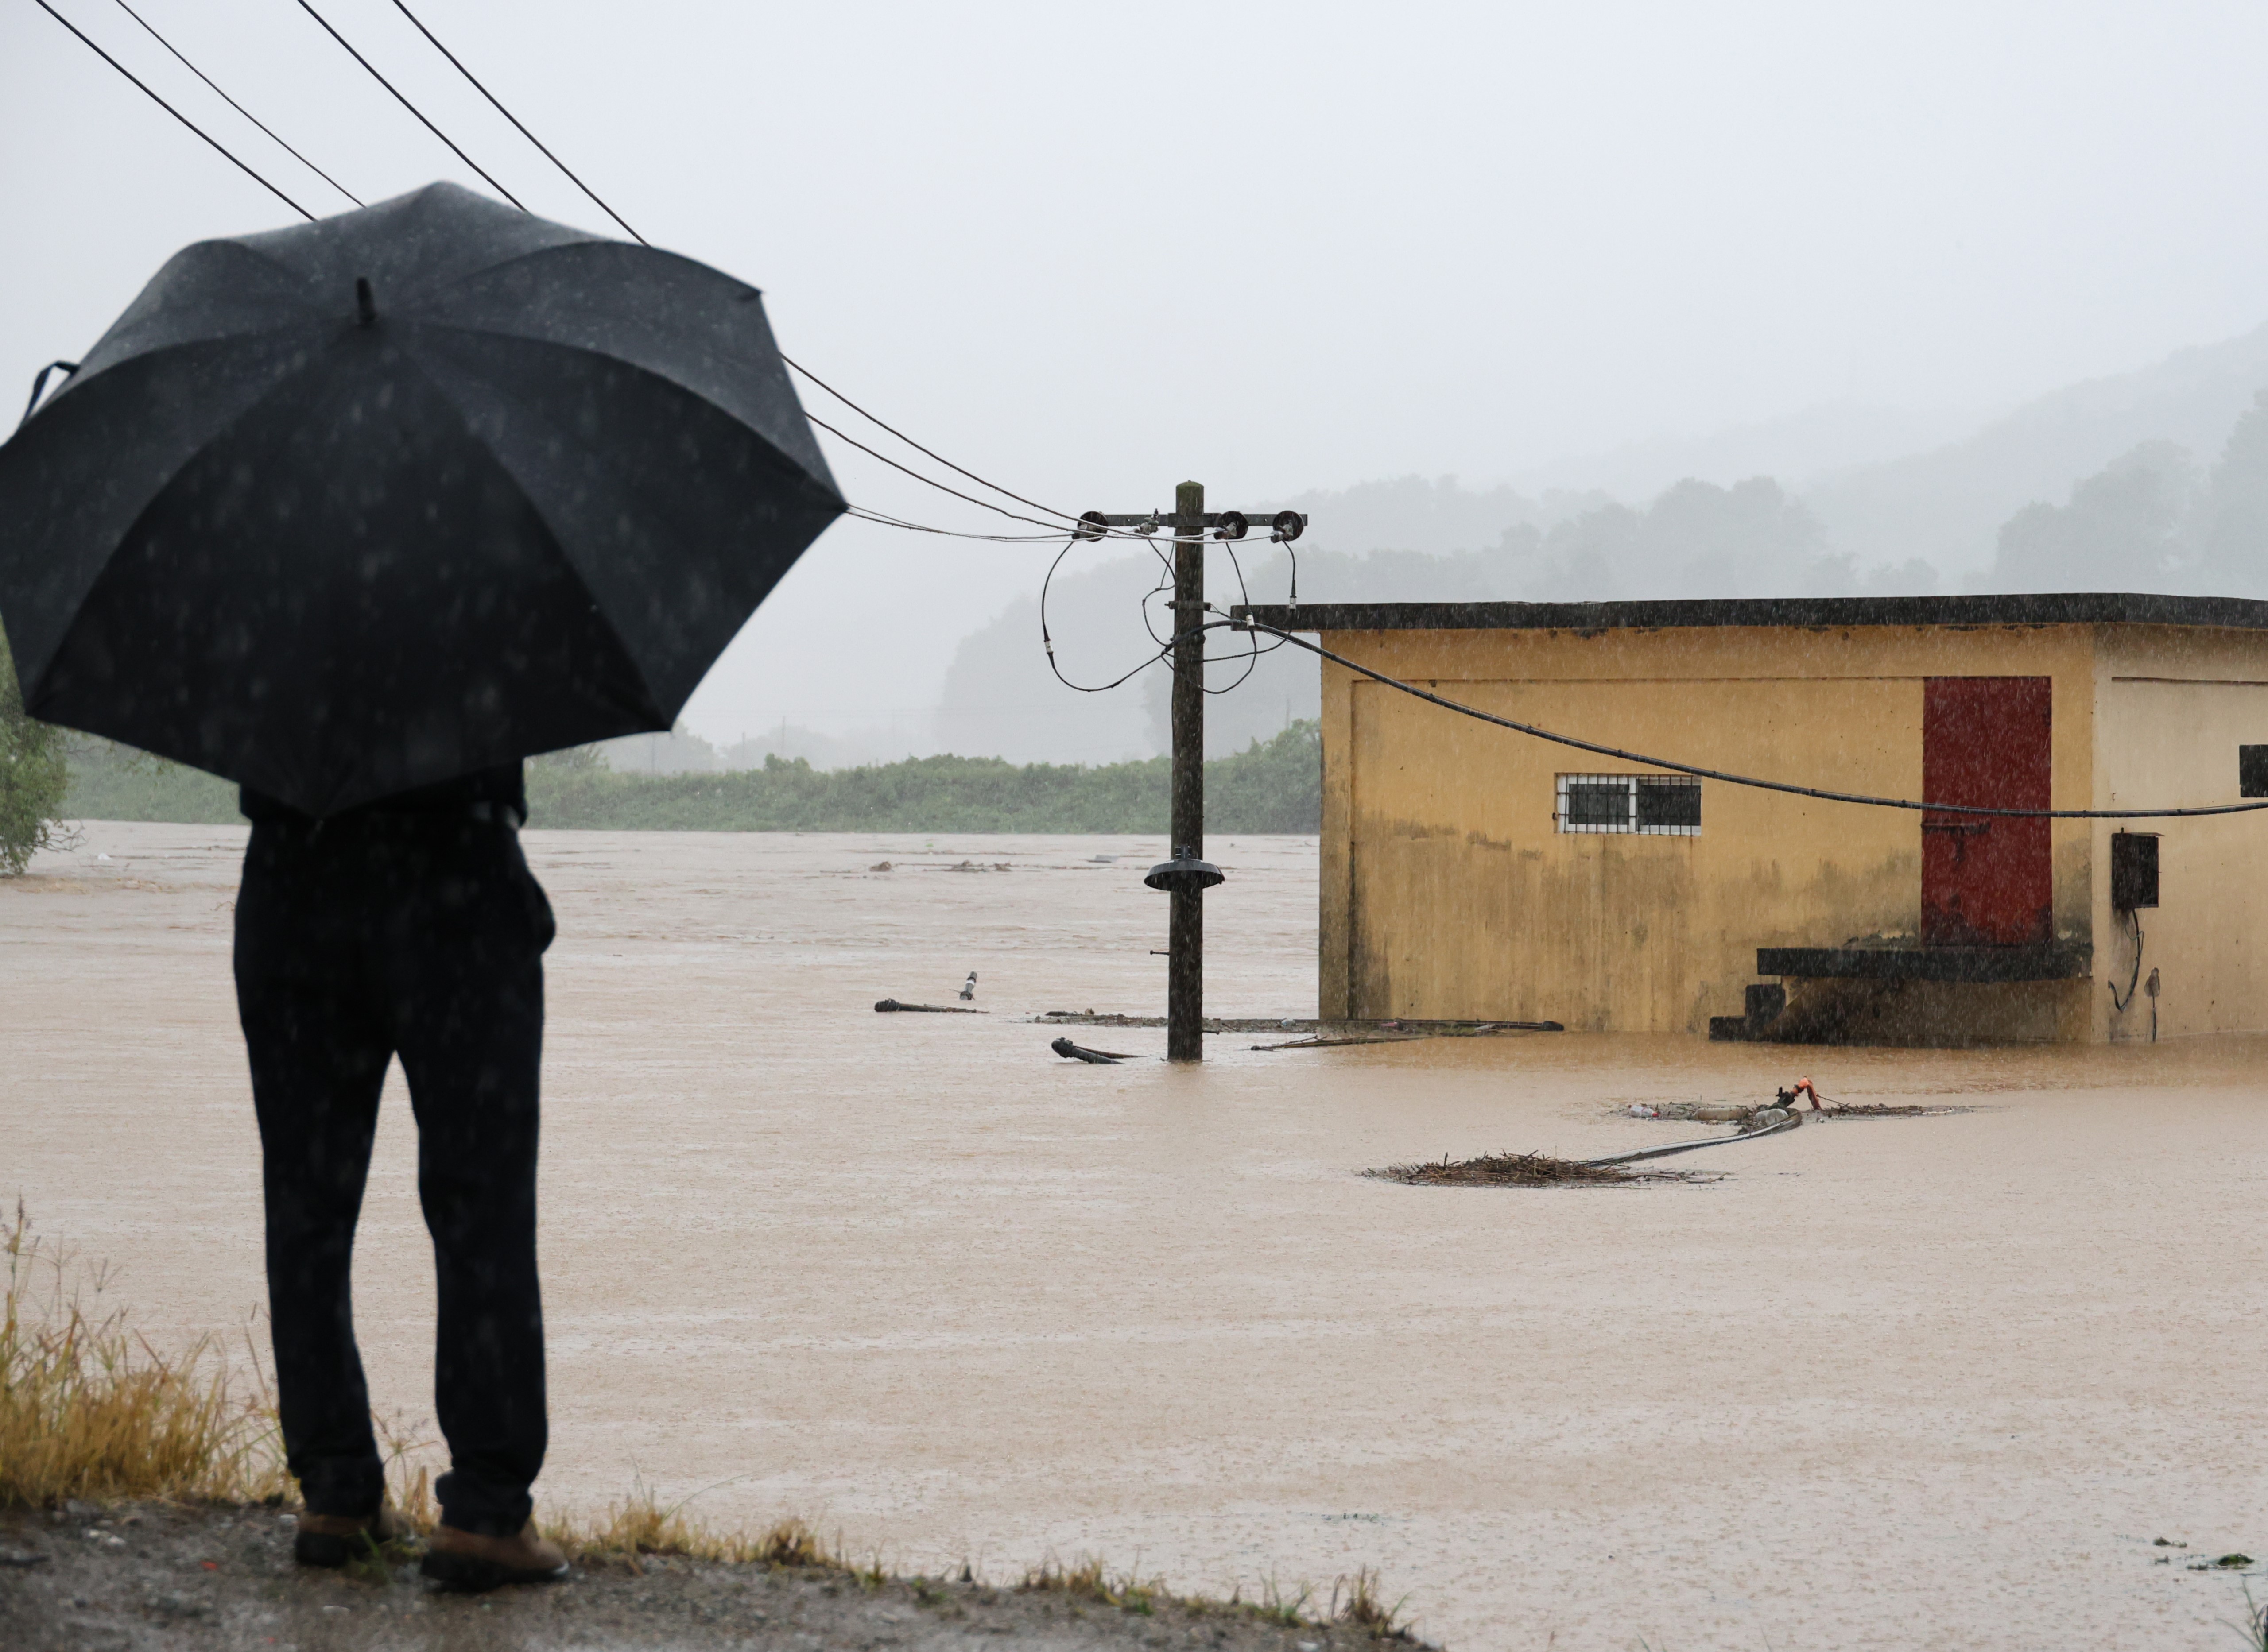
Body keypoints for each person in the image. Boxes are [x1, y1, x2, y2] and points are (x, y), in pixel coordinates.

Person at [232, 761, 569, 1590]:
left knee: (305, 1204)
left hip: (292, 869)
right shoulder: (490, 632)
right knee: (480, 1203)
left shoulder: (272, 632)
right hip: (456, 864)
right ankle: (485, 1510)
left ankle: (337, 1491)